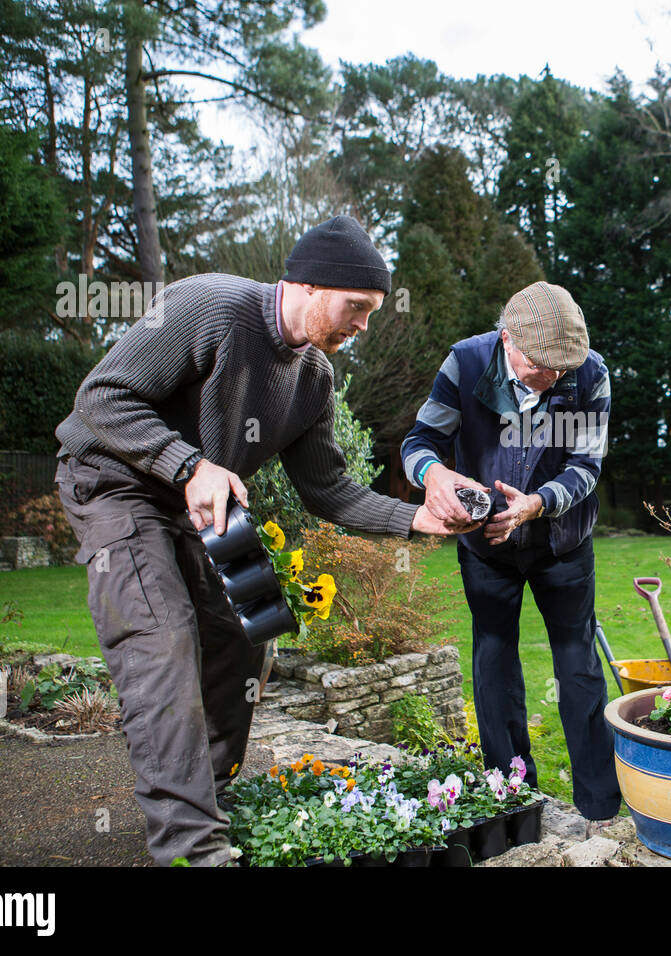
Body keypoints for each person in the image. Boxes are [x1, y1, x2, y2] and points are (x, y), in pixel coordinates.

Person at [53, 215, 468, 866]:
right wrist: (186, 465)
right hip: (115, 483)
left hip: (205, 504)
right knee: (161, 641)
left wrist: (417, 519)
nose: (363, 327)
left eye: (371, 313)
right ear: (306, 283)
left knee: (255, 626)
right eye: (357, 308)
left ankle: (210, 794)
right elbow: (99, 400)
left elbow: (328, 490)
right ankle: (194, 849)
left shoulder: (314, 380)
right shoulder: (208, 304)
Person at [400, 280, 621, 822]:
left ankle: (600, 807)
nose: (555, 376)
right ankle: (513, 798)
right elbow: (419, 444)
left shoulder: (589, 374)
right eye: (544, 365)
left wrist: (537, 505)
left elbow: (587, 466)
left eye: (563, 366)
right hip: (486, 551)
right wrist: (433, 477)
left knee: (579, 666)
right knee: (494, 664)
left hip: (563, 544)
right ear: (507, 341)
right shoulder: (465, 364)